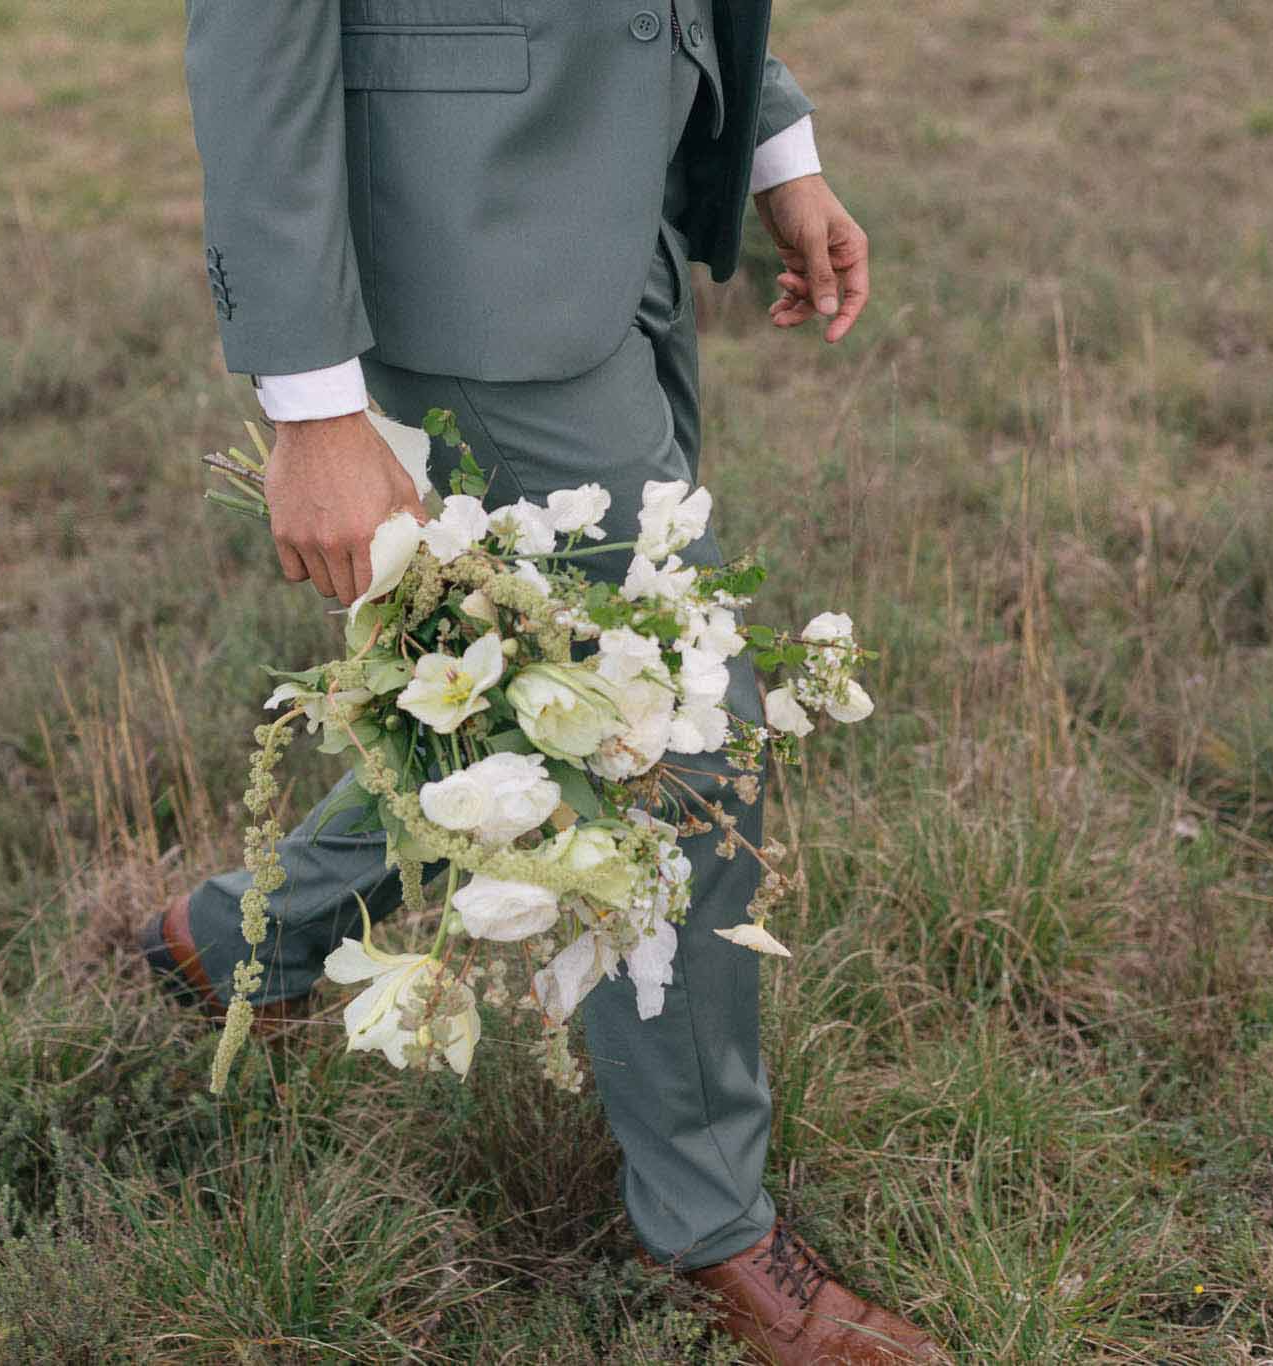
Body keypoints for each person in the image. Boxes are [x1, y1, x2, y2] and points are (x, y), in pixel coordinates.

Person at [146, 4, 948, 1361]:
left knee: (545, 685)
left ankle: (243, 939)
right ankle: (712, 1229)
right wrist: (311, 403)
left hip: (615, 206)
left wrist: (769, 134)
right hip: (454, 242)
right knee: (670, 722)